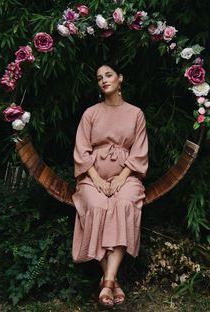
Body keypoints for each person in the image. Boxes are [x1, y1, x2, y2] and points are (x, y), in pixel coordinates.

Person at [72, 62, 148, 307]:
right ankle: (112, 281)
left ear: (120, 78)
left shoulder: (135, 113)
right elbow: (82, 150)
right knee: (96, 207)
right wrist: (95, 178)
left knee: (124, 204)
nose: (104, 80)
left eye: (108, 75)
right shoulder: (90, 113)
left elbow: (139, 152)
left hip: (126, 177)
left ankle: (107, 281)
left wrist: (121, 177)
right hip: (92, 177)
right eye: (99, 77)